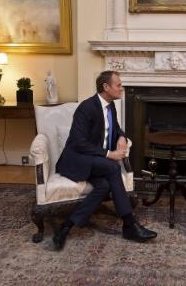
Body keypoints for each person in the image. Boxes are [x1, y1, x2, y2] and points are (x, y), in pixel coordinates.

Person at [52, 70, 157, 249]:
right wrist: (109, 154)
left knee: (105, 185)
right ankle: (130, 224)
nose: (122, 88)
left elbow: (115, 128)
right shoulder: (87, 108)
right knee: (113, 167)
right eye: (118, 85)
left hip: (93, 161)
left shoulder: (110, 106)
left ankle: (66, 226)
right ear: (106, 87)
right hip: (77, 159)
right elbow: (78, 143)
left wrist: (122, 137)